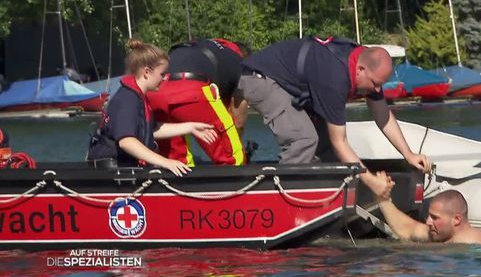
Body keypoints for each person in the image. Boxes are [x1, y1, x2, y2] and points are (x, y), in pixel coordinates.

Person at [238, 36, 431, 198]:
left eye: (381, 85)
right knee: (304, 140)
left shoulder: (364, 67)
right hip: (259, 78)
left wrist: (408, 154)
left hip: (295, 87)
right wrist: (370, 181)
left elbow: (382, 114)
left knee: (328, 153)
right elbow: (340, 142)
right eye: (375, 84)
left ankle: (327, 200)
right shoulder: (335, 78)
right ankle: (281, 201)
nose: (377, 90)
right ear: (360, 70)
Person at [87, 39, 218, 176]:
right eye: (162, 74)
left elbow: (152, 129)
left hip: (123, 168)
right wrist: (165, 162)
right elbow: (126, 141)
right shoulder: (128, 99)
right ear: (147, 72)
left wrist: (190, 127)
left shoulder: (138, 96)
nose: (164, 78)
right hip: (110, 173)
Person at [147, 38, 250, 166]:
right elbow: (238, 118)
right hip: (191, 88)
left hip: (155, 90)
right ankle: (236, 182)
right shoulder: (240, 62)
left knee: (177, 161)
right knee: (233, 158)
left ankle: (180, 183)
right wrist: (235, 141)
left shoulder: (204, 47)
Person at [377, 185, 481, 244]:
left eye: (435, 218)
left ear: (456, 220)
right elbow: (408, 228)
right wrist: (381, 196)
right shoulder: (445, 234)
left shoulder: (468, 242)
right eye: (429, 216)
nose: (428, 222)